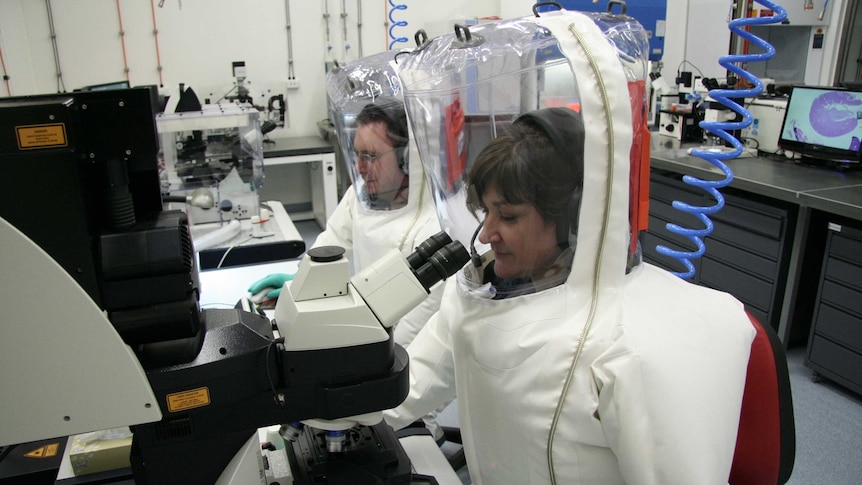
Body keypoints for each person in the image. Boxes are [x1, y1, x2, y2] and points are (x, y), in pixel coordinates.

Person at [383, 106, 756, 484]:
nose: (485, 235)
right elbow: (411, 386)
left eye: (508, 216)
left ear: (571, 218)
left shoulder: (625, 343)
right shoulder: (477, 297)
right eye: (486, 213)